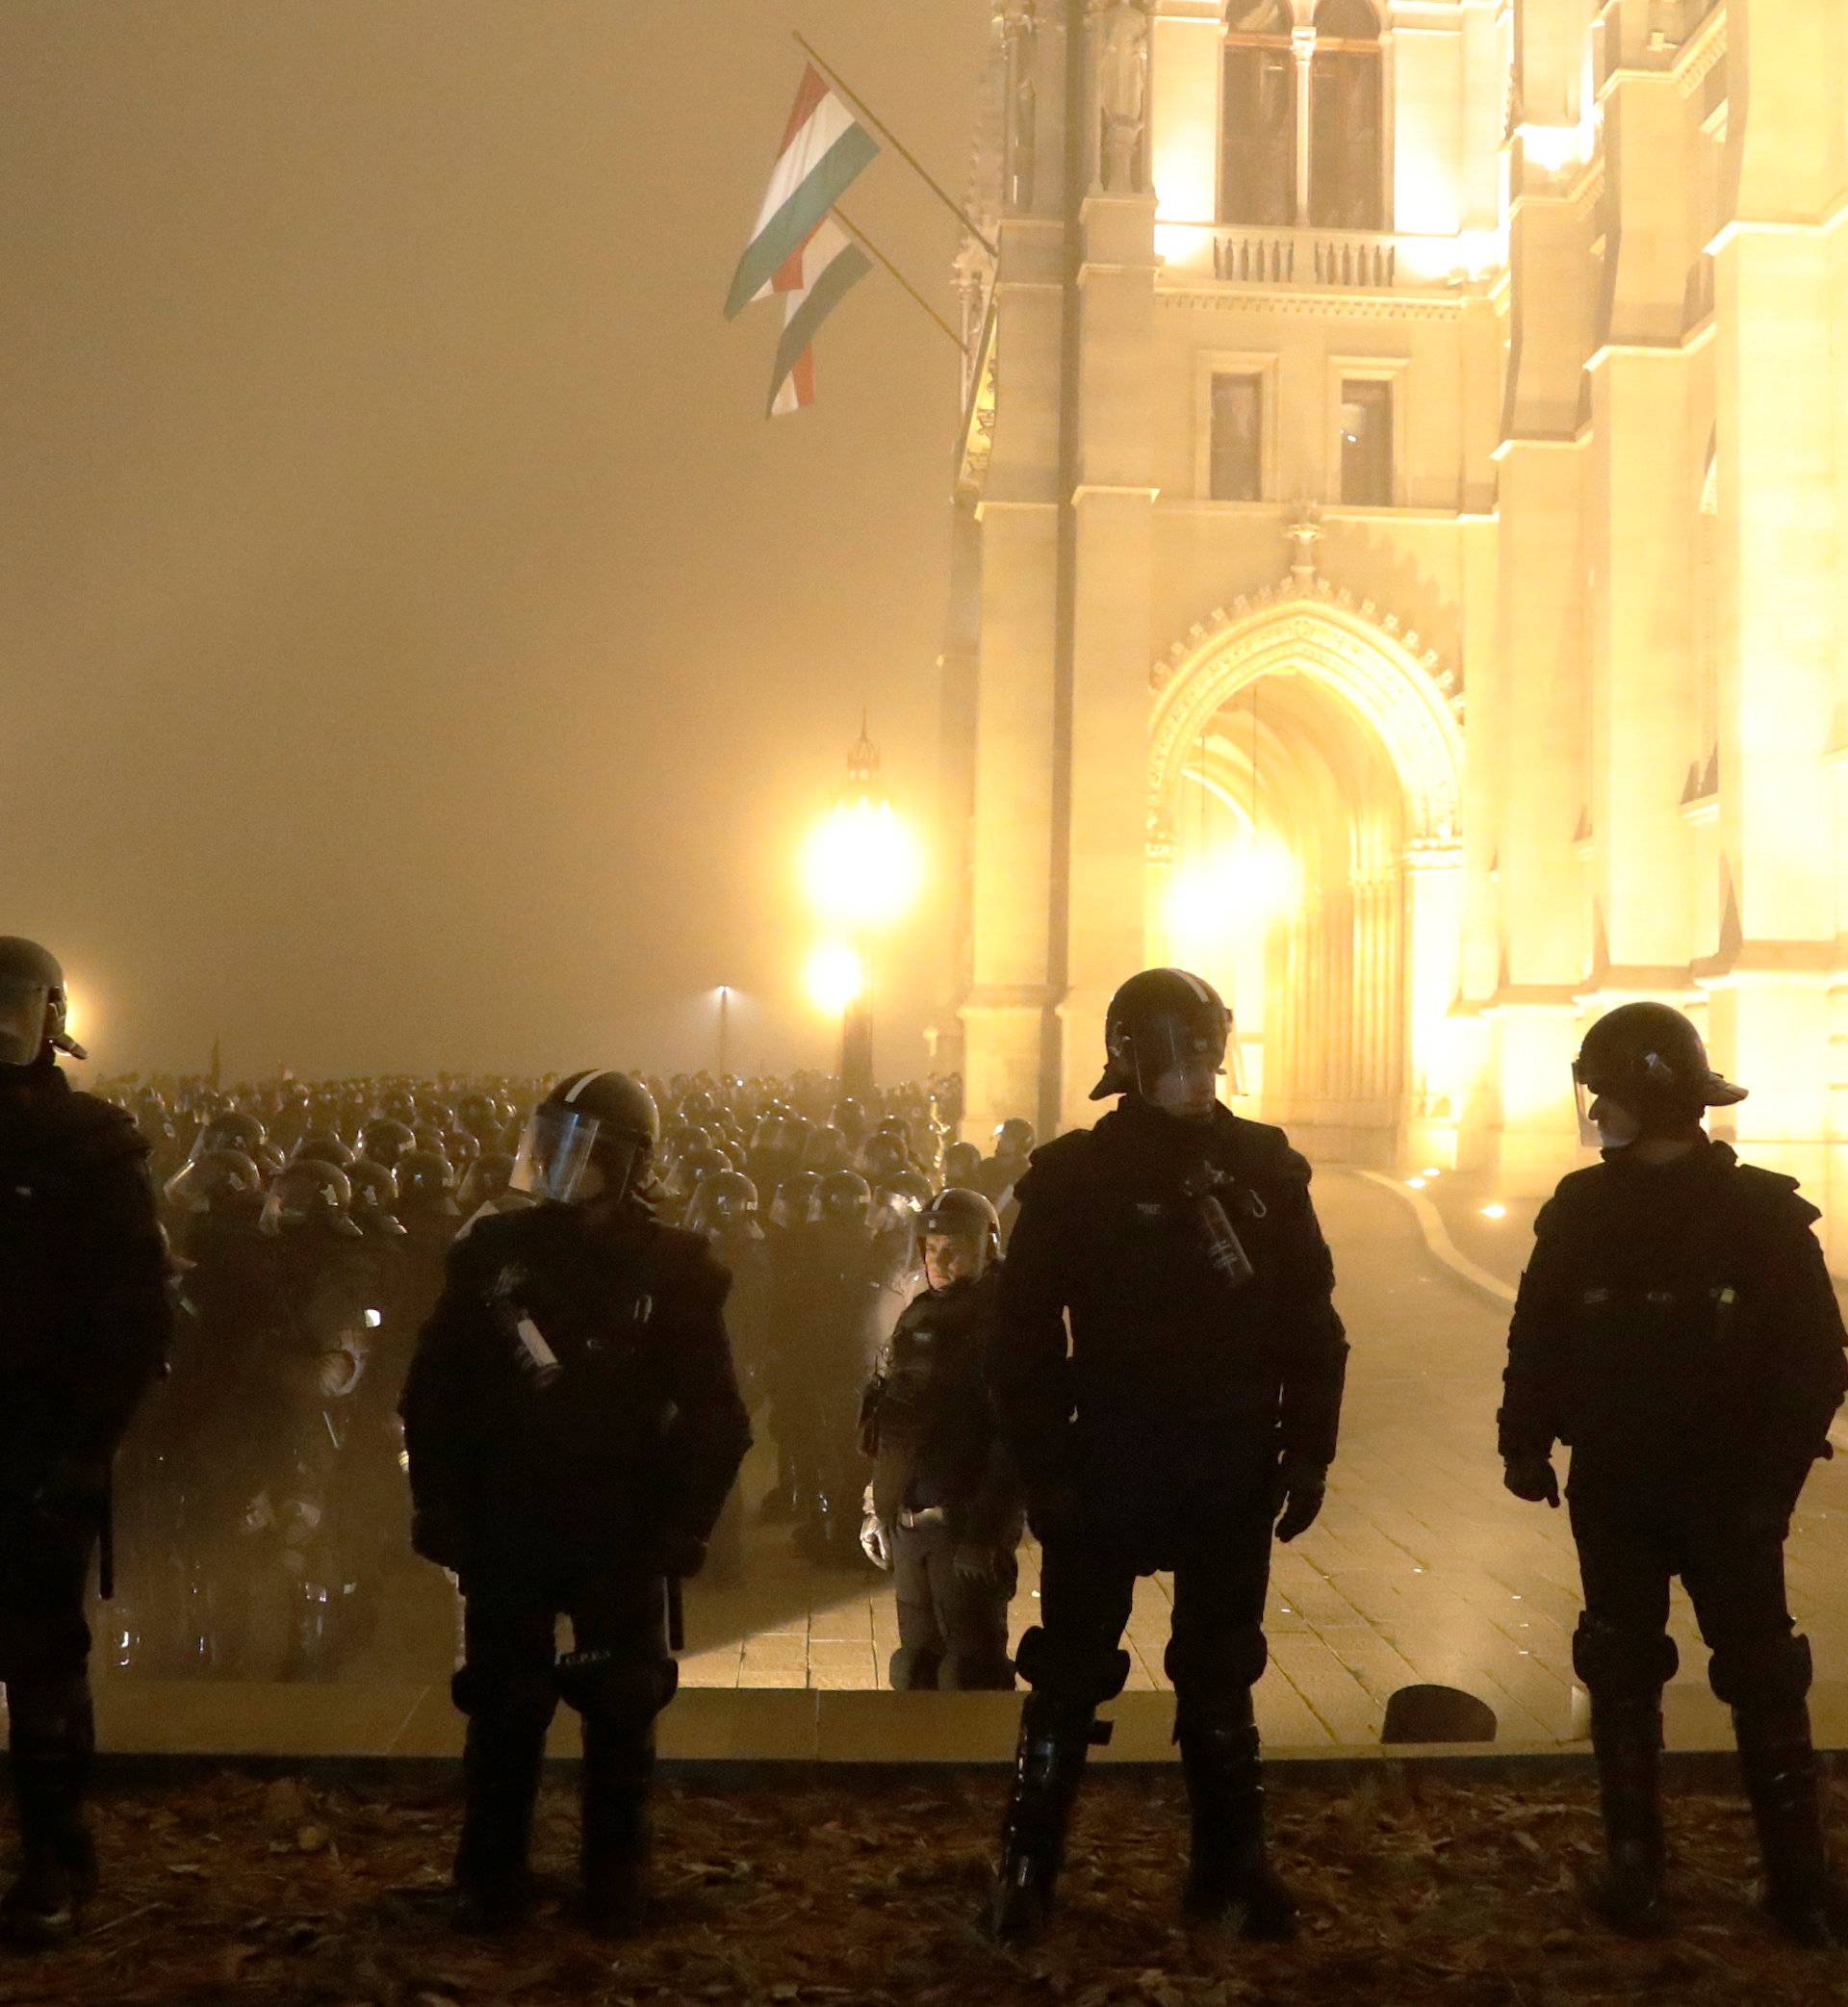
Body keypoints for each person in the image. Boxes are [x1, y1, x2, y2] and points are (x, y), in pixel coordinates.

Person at [985, 967, 1348, 1943]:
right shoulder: (1072, 1179)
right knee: (1068, 1671)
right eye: (1177, 1054)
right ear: (1132, 1062)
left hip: (1228, 1453)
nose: (1197, 1074)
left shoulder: (1264, 1171)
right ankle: (1027, 1868)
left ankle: (1231, 1863)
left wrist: (1309, 1446)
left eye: (1206, 1052)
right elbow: (1019, 1338)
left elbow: (1308, 1321)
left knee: (1221, 1669)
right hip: (1108, 1454)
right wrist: (1043, 1463)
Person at [1500, 1002, 1848, 1943]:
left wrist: (1526, 1439)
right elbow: (1542, 1337)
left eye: (1607, 1092)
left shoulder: (1740, 1214)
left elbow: (1816, 1360)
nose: (1597, 1110)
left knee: (1696, 1668)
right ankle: (1774, 1883)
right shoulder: (1657, 1211)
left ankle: (1709, 1879)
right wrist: (1523, 1437)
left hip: (1666, 1486)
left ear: (1636, 1101)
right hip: (1672, 1487)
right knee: (1691, 1667)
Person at [399, 1069, 751, 1934]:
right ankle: (490, 1876)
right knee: (503, 1705)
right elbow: (434, 1390)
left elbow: (716, 1414)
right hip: (507, 1517)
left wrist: (683, 1524)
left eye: (582, 1147)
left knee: (622, 1706)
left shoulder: (674, 1270)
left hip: (618, 1526)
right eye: (551, 1142)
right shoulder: (493, 1254)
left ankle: (615, 1881)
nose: (561, 1163)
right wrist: (438, 1500)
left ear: (629, 1162)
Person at [0, 939, 169, 1944]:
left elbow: (136, 1317)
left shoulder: (96, 1150)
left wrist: (86, 1446)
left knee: (40, 1663)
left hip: (39, 1443)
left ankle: (57, 1858)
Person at [860, 1188, 1022, 1689]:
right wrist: (877, 1504)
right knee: (916, 1664)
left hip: (963, 1525)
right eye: (931, 1248)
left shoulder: (1004, 1321)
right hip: (909, 1526)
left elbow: (1012, 1440)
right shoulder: (919, 1314)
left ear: (987, 1246)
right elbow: (894, 1423)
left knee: (969, 1669)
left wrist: (985, 1535)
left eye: (955, 1247)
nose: (940, 1260)